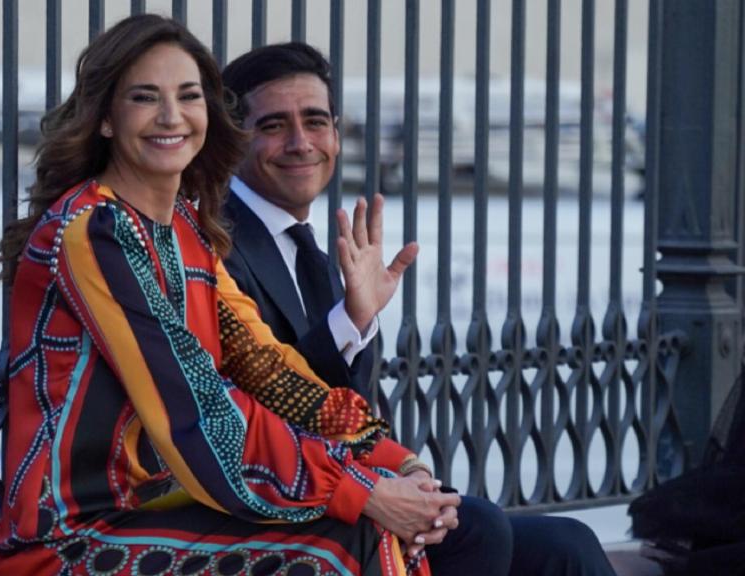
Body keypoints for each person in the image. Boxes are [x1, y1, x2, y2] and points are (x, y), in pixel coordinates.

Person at [0, 15, 462, 576]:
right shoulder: (94, 229)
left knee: (394, 529)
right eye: (144, 97)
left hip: (162, 511)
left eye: (188, 96)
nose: (171, 116)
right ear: (106, 119)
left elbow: (271, 373)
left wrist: (398, 463)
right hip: (70, 537)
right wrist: (361, 491)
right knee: (344, 542)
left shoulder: (187, 231)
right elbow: (196, 405)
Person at [221, 41, 618, 576]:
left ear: (337, 134)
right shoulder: (217, 243)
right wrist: (352, 321)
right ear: (232, 139)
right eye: (273, 126)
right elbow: (262, 405)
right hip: (274, 504)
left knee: (565, 545)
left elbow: (344, 407)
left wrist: (406, 473)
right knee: (477, 528)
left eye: (316, 121)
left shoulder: (313, 243)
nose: (300, 143)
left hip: (351, 481)